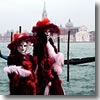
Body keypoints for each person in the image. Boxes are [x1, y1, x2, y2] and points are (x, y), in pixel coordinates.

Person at [32, 18, 65, 95]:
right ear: (41, 32)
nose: (47, 34)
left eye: (49, 32)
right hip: (44, 75)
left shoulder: (50, 42)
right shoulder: (40, 44)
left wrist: (58, 57)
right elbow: (41, 61)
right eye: (45, 32)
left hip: (52, 73)